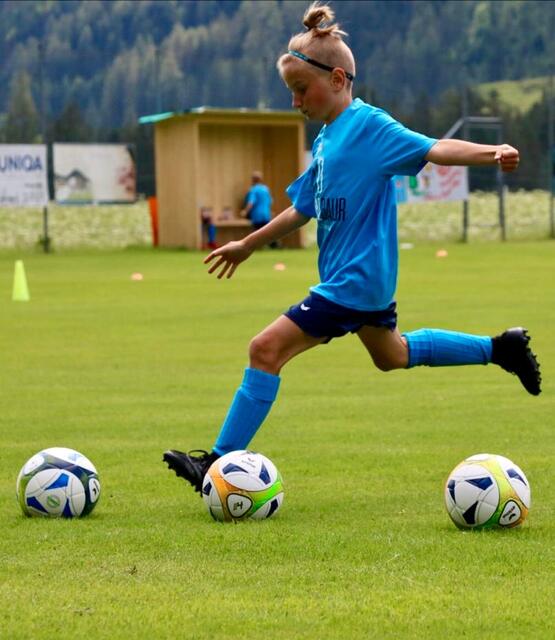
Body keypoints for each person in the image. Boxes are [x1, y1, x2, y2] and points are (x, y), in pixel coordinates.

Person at [164, 2, 541, 494]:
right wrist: (249, 244)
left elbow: (433, 148)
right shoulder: (325, 141)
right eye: (291, 93)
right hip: (357, 282)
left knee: (264, 349)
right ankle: (500, 348)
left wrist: (490, 152)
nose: (296, 102)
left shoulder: (370, 127)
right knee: (392, 355)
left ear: (338, 78)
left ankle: (216, 462)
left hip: (354, 282)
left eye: (302, 90)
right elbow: (302, 208)